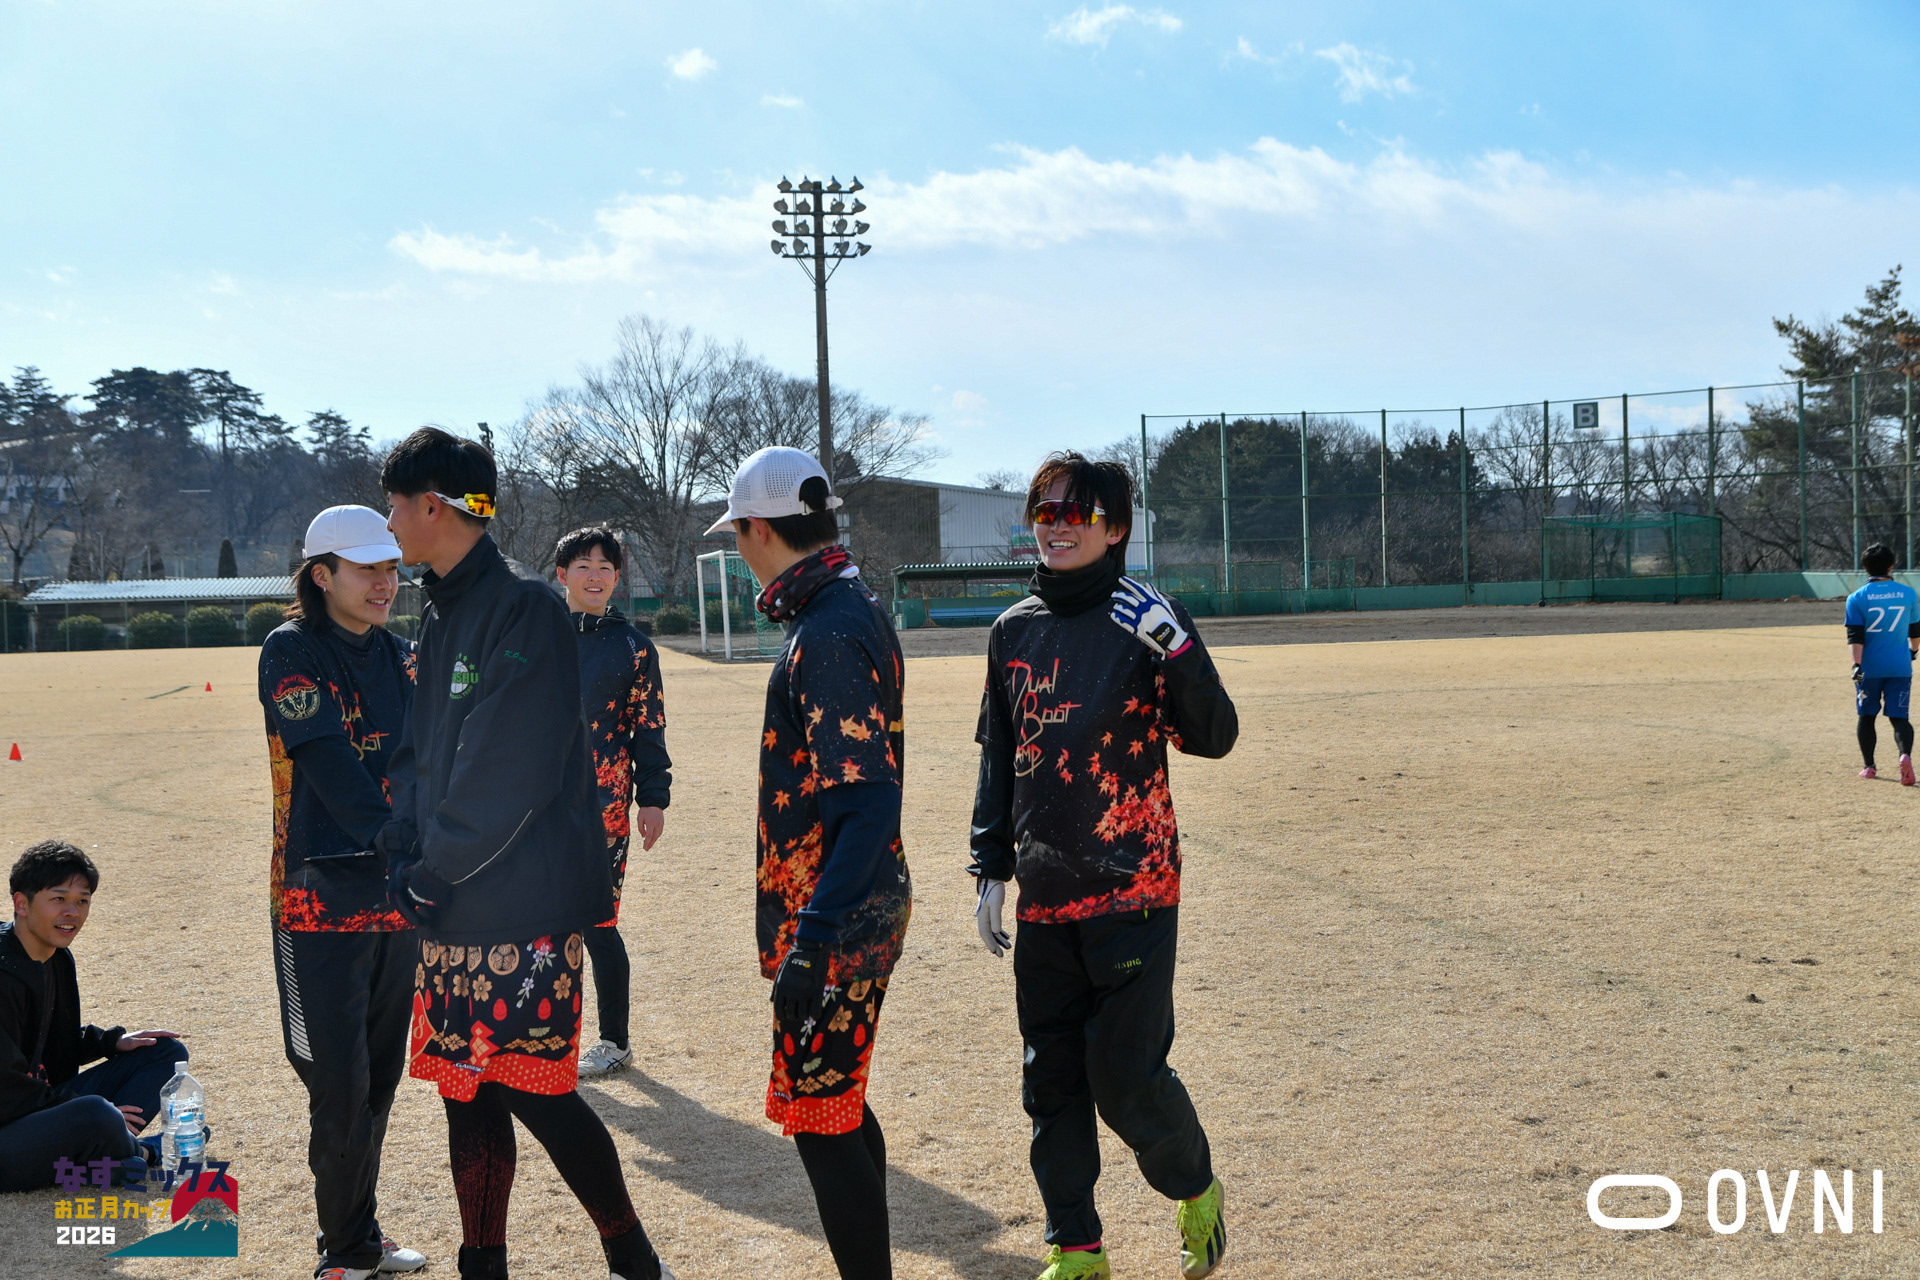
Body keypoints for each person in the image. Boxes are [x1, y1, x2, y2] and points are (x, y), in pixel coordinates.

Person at [378, 427, 672, 1280]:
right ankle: (484, 1264)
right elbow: (418, 748)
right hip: (448, 903)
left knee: (533, 1087)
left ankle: (632, 1257)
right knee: (465, 1092)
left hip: (521, 904)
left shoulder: (525, 606)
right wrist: (403, 849)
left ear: (434, 506)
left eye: (395, 506)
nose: (390, 523)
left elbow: (514, 764)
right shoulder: (440, 608)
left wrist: (435, 865)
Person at [969, 452, 1238, 1280]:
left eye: (1075, 514)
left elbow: (1216, 736)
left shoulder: (1147, 618)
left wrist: (1177, 649)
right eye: (1043, 512)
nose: (1055, 527)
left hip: (1134, 891)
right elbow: (1001, 756)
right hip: (1046, 899)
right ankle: (1077, 1247)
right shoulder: (1013, 631)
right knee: (1050, 1084)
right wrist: (990, 866)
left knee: (1125, 1079)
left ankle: (1195, 1186)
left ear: (1115, 528)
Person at [709, 446, 911, 1280]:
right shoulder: (841, 606)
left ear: (760, 529)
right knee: (839, 1104)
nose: (738, 549)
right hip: (843, 906)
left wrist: (814, 938)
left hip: (839, 914)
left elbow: (866, 806)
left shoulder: (827, 631)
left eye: (737, 533)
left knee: (820, 1118)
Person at [260, 504, 427, 1280]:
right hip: (315, 900)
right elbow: (325, 755)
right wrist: (397, 837)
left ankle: (360, 1233)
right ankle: (343, 1249)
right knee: (337, 1083)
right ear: (321, 575)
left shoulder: (405, 656)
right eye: (367, 569)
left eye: (391, 568)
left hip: (396, 901)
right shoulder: (290, 649)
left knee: (380, 1081)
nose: (385, 583)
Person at [0, 840, 187, 1193]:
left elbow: (52, 1040)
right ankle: (144, 1152)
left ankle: (103, 1156)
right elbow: (5, 1091)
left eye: (82, 901)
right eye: (59, 899)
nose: (72, 912)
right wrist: (95, 1111)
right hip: (7, 1124)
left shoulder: (56, 956)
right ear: (21, 903)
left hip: (41, 1105)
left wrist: (110, 1043)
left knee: (164, 1052)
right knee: (96, 1114)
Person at [554, 526, 671, 1079]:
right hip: (533, 810)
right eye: (583, 565)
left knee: (598, 925)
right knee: (539, 925)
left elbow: (650, 729)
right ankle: (546, 1036)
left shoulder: (635, 648)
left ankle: (614, 1042)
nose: (595, 575)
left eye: (605, 567)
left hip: (602, 808)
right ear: (562, 575)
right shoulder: (535, 637)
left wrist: (653, 798)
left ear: (618, 578)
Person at [1846, 542, 1920, 784]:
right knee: (1900, 718)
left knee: (1867, 716)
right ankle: (1904, 755)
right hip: (1899, 667)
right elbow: (1915, 632)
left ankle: (1869, 767)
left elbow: (1855, 636)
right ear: (1891, 566)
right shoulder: (1908, 594)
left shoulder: (1856, 598)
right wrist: (1913, 651)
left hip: (1869, 668)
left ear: (1865, 568)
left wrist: (1856, 666)